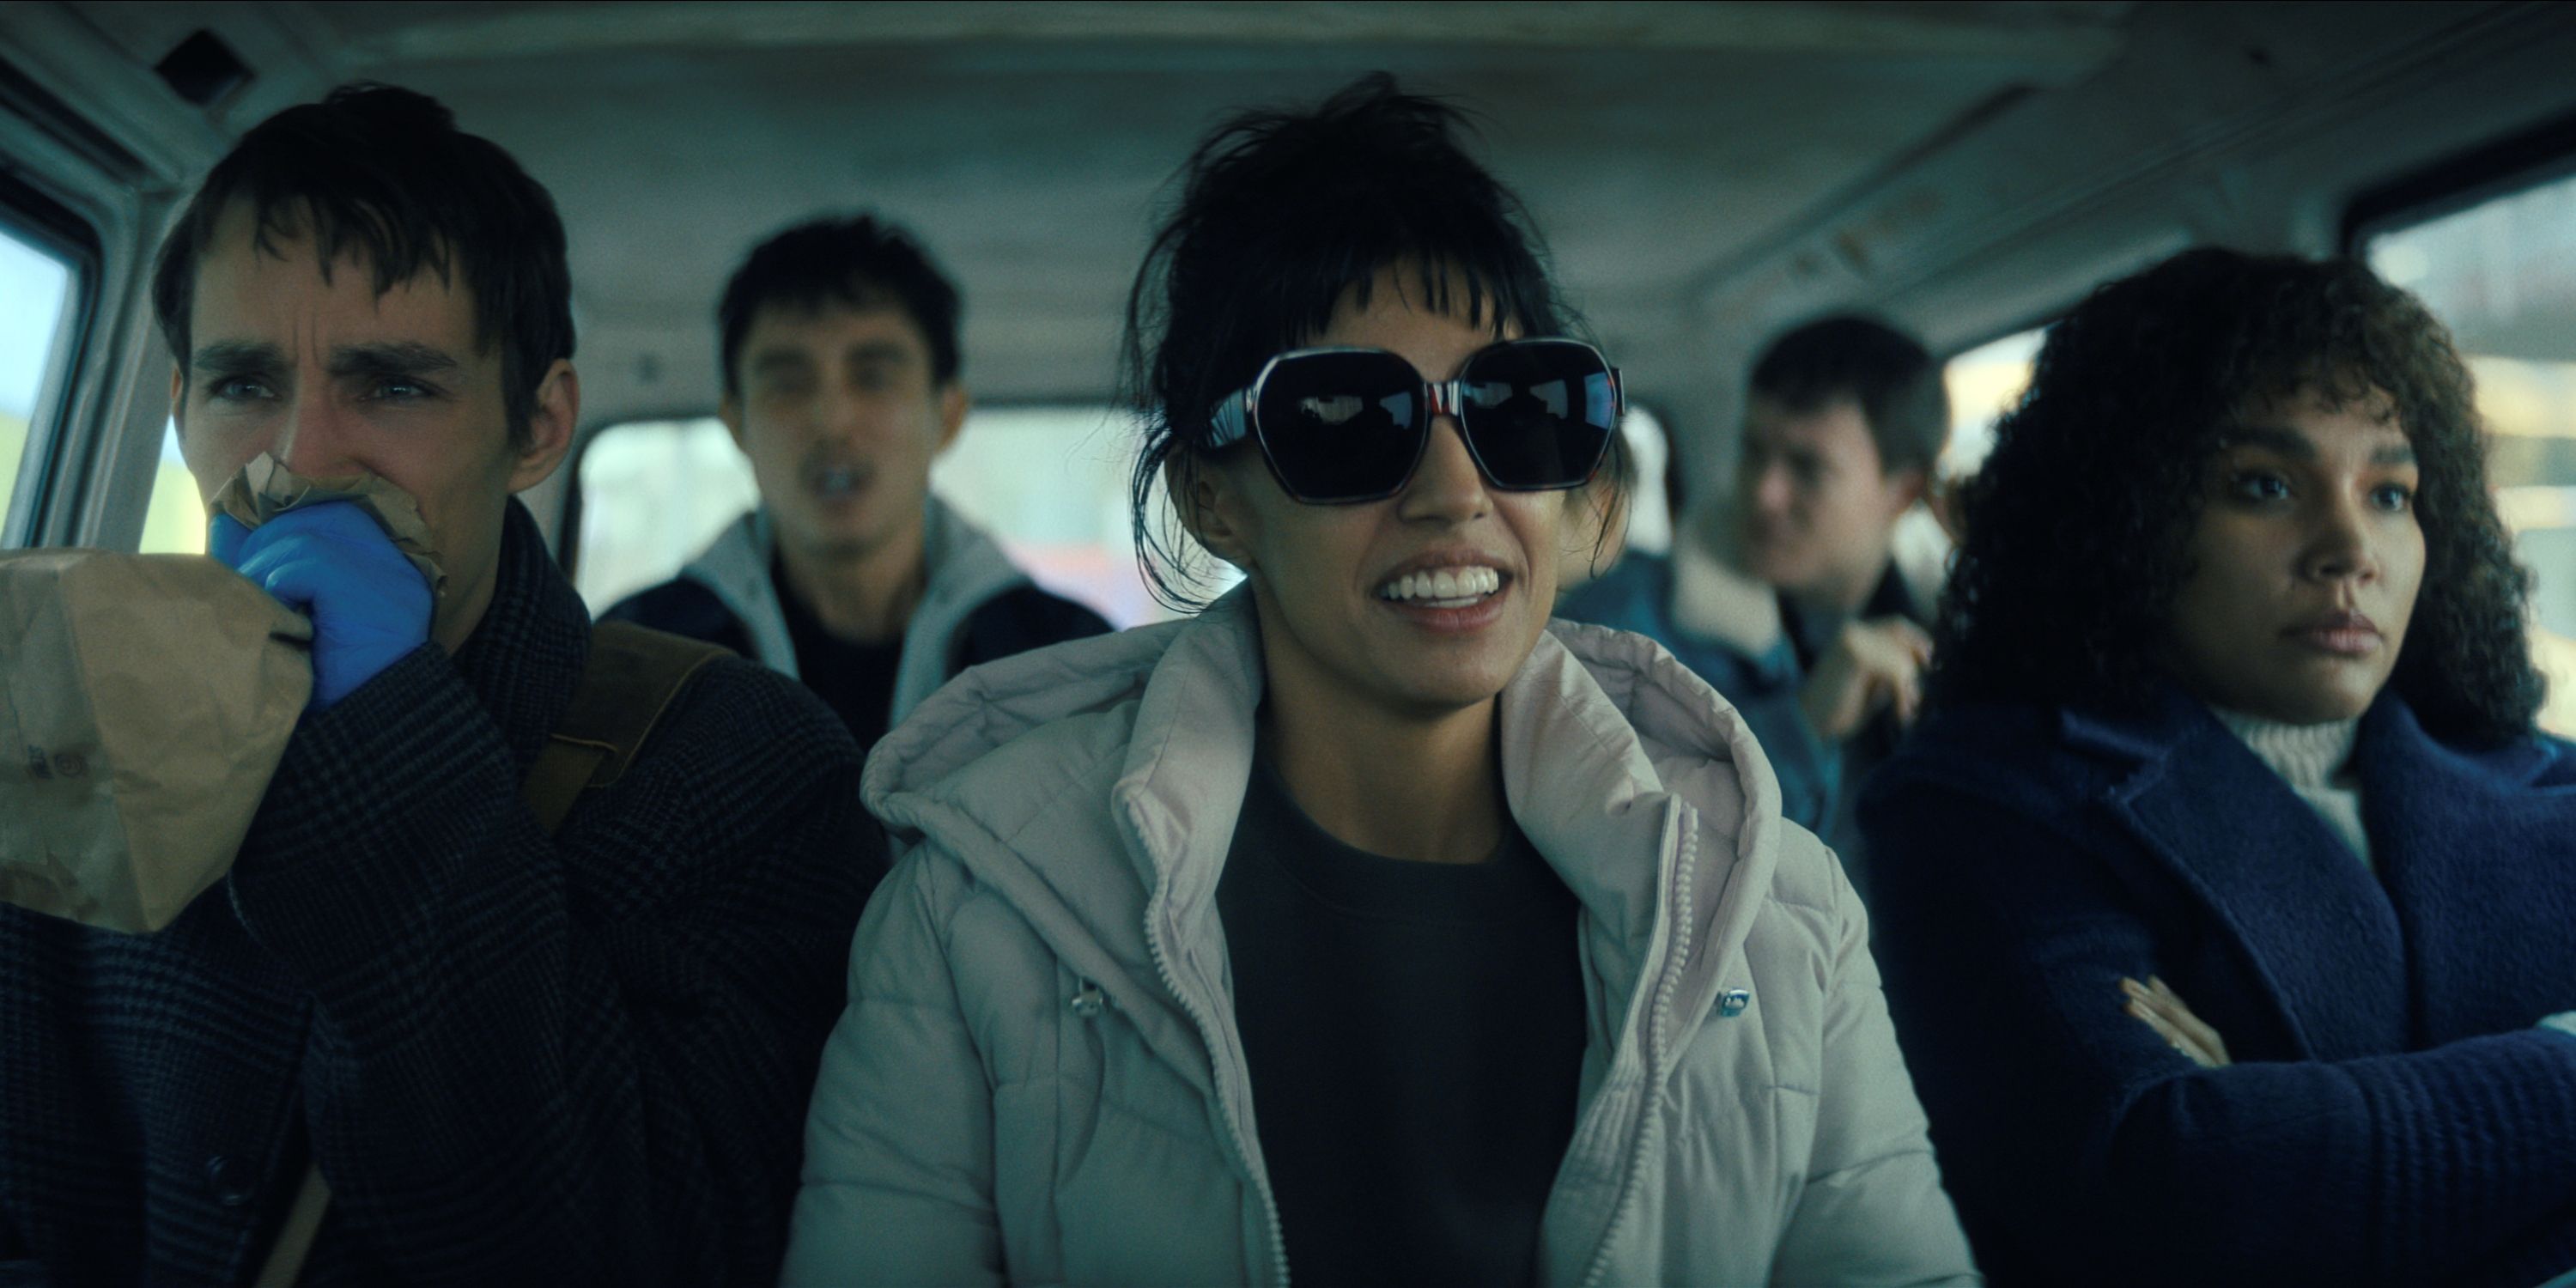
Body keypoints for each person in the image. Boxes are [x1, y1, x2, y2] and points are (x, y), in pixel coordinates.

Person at [781, 75, 1977, 1286]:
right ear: (1215, 498)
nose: (1457, 490)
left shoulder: (1772, 911)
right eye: (1348, 417)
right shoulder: (981, 916)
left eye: (1516, 410)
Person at [0, 85, 881, 1285]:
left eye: (394, 386)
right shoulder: (73, 731)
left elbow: (633, 1245)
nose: (297, 458)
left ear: (538, 424)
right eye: (243, 385)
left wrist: (384, 742)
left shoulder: (746, 768)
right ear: (181, 409)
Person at [1860, 248, 2576, 1286]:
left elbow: (2270, 1173)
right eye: (2267, 485)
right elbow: (2173, 1183)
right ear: (2127, 518)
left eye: (2389, 492)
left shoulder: (2541, 777)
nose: (2348, 548)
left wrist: (2292, 1104)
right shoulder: (1977, 805)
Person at [608, 215, 1110, 756]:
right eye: (788, 383)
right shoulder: (638, 660)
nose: (833, 421)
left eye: (873, 377)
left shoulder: (1062, 661)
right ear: (736, 423)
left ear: (948, 415)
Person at [1559, 317, 1947, 868]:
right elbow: (1614, 846)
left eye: (1807, 468)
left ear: (1902, 492)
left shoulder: (1952, 653)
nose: (1765, 494)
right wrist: (1803, 727)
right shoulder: (1621, 620)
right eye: (1753, 452)